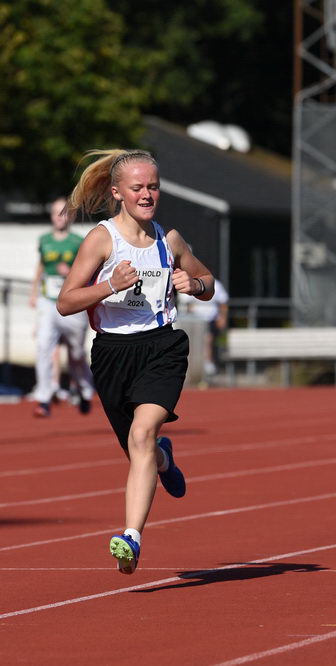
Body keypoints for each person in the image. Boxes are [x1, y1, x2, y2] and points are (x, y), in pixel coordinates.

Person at [57, 149, 216, 574]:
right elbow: (66, 302)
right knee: (139, 449)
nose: (147, 195)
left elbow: (209, 284)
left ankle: (131, 537)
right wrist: (110, 285)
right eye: (138, 188)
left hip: (163, 348)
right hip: (113, 354)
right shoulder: (102, 240)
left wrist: (194, 283)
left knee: (143, 433)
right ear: (117, 193)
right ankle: (164, 459)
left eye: (153, 187)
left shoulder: (170, 241)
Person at [28, 197, 96, 417]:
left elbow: (88, 270)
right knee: (43, 347)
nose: (59, 217)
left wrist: (71, 272)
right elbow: (41, 266)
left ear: (70, 216)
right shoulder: (44, 240)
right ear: (51, 216)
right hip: (48, 301)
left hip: (72, 303)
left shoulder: (78, 241)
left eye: (63, 212)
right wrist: (34, 293)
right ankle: (44, 398)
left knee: (76, 353)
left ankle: (85, 390)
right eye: (56, 213)